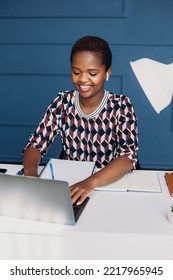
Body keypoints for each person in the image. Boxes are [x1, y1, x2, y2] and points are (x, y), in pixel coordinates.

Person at [23, 35, 139, 205]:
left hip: (107, 184)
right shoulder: (62, 102)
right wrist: (30, 175)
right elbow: (35, 144)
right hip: (70, 186)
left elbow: (128, 156)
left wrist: (90, 182)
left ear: (107, 73)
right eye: (76, 72)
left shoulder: (121, 106)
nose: (83, 79)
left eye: (92, 73)